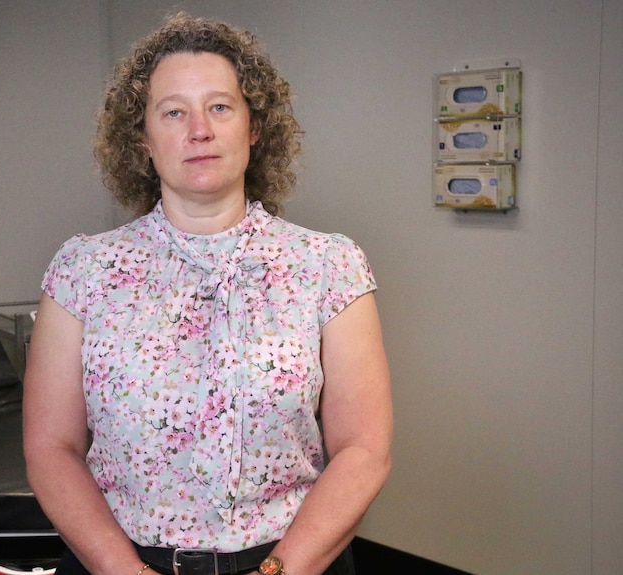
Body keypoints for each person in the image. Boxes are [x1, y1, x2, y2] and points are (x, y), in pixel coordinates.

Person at [23, 12, 392, 575]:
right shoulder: (83, 272)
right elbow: (51, 450)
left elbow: (364, 450)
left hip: (290, 563)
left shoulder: (329, 266)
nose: (200, 129)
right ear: (143, 140)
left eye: (220, 107)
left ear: (254, 127)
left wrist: (279, 572)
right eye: (173, 112)